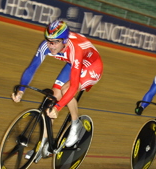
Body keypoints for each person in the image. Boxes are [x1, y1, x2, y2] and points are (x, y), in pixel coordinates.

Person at [12, 20, 103, 150]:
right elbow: (32, 68)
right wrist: (21, 90)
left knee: (66, 90)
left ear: (65, 41)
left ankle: (75, 124)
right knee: (53, 99)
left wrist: (58, 108)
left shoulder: (74, 49)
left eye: (55, 42)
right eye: (49, 40)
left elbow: (73, 87)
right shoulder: (46, 45)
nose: (51, 45)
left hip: (92, 66)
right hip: (73, 63)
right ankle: (42, 145)